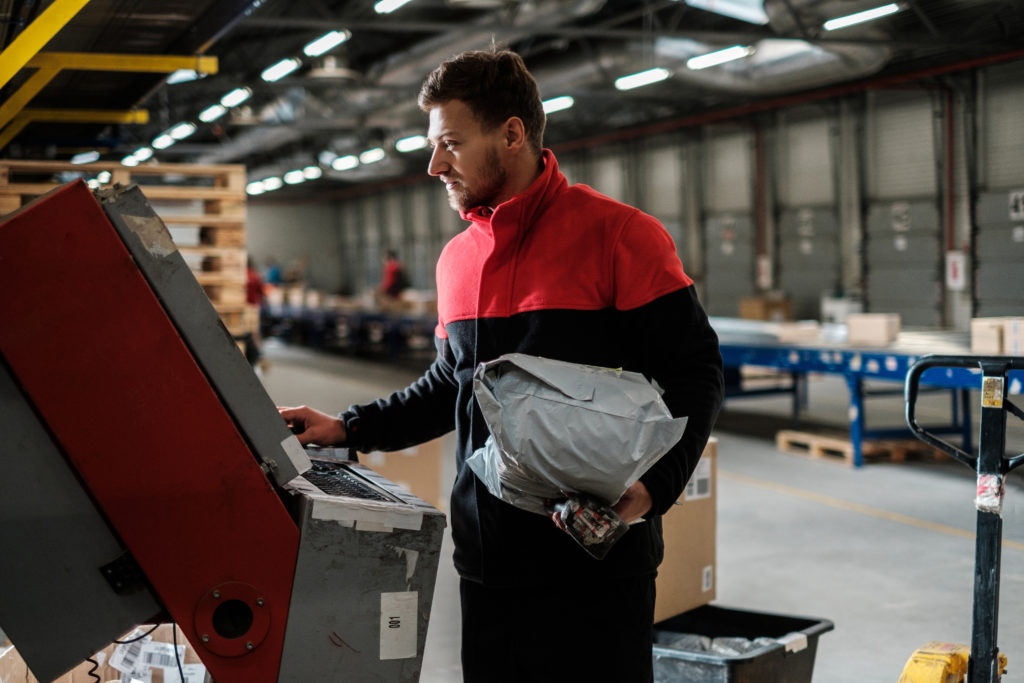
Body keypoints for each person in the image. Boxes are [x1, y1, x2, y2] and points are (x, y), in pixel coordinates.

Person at [279, 47, 723, 683]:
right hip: (490, 560)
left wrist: (656, 488)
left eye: (451, 144)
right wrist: (349, 428)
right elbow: (449, 386)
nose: (435, 165)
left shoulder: (620, 236)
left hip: (597, 560)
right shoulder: (458, 260)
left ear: (511, 134)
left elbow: (696, 370)